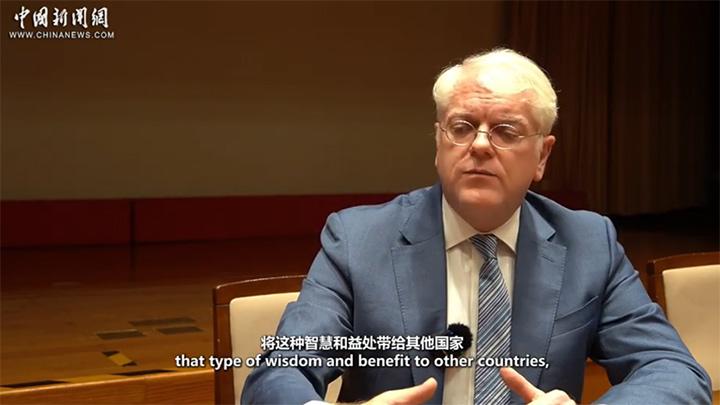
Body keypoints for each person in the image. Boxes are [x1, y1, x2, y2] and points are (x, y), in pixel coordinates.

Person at [242, 48, 711, 404]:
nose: (480, 145)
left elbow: (673, 370)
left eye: (506, 131)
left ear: (542, 155)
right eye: (462, 127)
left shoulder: (589, 243)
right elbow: (279, 372)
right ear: (439, 142)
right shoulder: (358, 241)